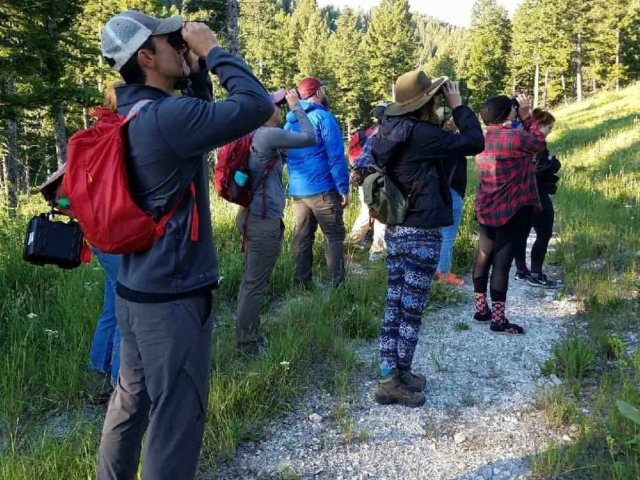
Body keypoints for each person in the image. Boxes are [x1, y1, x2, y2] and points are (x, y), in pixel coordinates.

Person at [96, 11, 273, 480]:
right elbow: (256, 106)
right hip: (172, 302)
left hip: (135, 289)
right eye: (170, 40)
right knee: (175, 419)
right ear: (146, 57)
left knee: (130, 404)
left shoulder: (131, 114)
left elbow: (198, 128)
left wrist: (195, 77)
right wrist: (213, 51)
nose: (181, 44)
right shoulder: (168, 118)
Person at [372, 72, 485, 408]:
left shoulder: (389, 129)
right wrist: (459, 106)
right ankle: (394, 380)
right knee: (412, 308)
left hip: (397, 228)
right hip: (421, 232)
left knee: (396, 302)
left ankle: (392, 372)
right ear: (426, 102)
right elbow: (475, 142)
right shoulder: (423, 134)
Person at [236, 89, 317, 356]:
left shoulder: (253, 134)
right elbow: (309, 137)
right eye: (278, 105)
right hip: (262, 220)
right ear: (264, 110)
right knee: (255, 283)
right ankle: (248, 344)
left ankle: (247, 333)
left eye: (284, 103)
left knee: (251, 280)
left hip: (252, 216)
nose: (282, 107)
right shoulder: (266, 134)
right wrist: (297, 107)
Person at [472, 95, 546, 336]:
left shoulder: (483, 138)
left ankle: (481, 309)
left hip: (485, 206)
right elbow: (537, 143)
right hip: (509, 209)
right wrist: (526, 115)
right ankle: (499, 319)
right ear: (508, 113)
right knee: (502, 264)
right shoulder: (514, 136)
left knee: (483, 257)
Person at [284, 77, 350, 289]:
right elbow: (336, 156)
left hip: (298, 190)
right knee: (333, 235)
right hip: (322, 188)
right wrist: (343, 188)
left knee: (303, 235)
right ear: (318, 93)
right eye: (323, 89)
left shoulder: (289, 122)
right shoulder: (323, 117)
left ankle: (302, 283)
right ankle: (337, 285)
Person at [514, 108, 560, 288]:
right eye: (549, 128)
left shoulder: (519, 139)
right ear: (540, 125)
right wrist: (553, 165)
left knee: (521, 232)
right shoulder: (537, 144)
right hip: (536, 192)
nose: (550, 132)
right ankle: (536, 273)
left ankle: (521, 270)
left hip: (518, 194)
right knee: (544, 232)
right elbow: (538, 169)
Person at [346, 103, 388, 262]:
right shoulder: (385, 131)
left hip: (362, 177)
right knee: (382, 215)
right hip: (376, 179)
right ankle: (377, 252)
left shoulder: (369, 132)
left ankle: (350, 243)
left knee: (367, 214)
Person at [434, 108, 467, 287]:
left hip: (436, 192)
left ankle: (436, 270)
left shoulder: (432, 141)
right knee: (447, 235)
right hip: (452, 191)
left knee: (437, 234)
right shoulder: (455, 142)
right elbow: (475, 141)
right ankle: (444, 273)